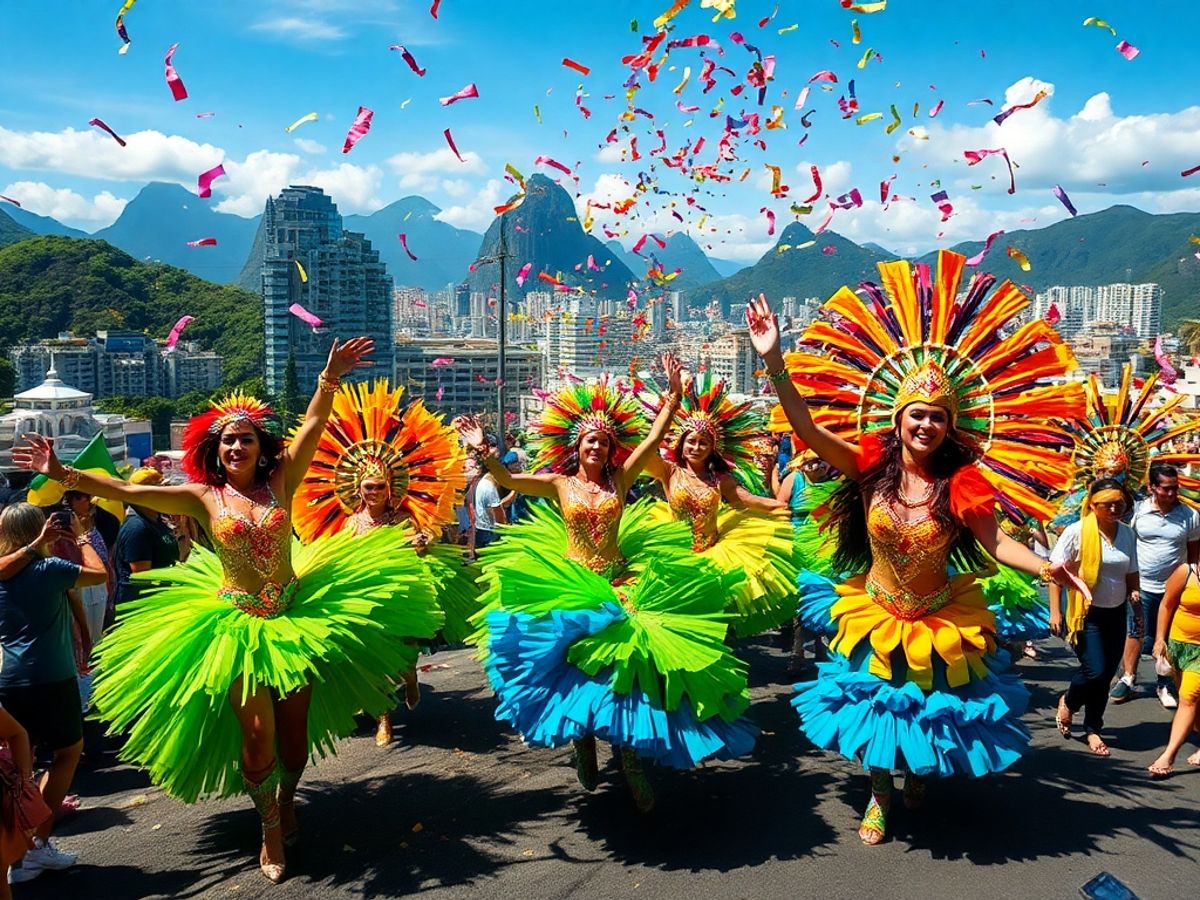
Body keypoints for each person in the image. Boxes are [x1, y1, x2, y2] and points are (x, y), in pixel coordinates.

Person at [14, 338, 443, 884]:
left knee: (292, 739)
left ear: (260, 447)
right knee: (258, 734)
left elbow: (311, 427)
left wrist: (328, 377)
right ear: (214, 453)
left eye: (244, 439)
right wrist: (66, 472)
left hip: (295, 621)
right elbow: (120, 485)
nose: (235, 447)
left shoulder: (279, 482)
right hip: (235, 628)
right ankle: (268, 830)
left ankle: (286, 801)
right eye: (226, 442)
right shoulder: (201, 498)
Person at [749, 250, 1088, 844]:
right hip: (877, 607)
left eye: (936, 416)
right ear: (898, 418)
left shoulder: (962, 484)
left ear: (948, 425)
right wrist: (776, 359)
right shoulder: (866, 464)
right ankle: (878, 794)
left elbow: (998, 541)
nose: (925, 425)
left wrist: (1050, 567)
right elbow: (804, 429)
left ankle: (917, 775)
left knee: (928, 707)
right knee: (880, 706)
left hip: (935, 615)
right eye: (916, 415)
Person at [456, 358, 754, 814]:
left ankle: (630, 758)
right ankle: (582, 741)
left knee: (626, 673)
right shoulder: (558, 483)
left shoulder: (621, 479)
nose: (596, 446)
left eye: (603, 441)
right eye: (590, 440)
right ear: (577, 446)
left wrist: (673, 395)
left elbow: (655, 438)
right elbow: (509, 480)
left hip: (620, 581)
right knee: (576, 673)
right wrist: (482, 451)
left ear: (611, 449)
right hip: (574, 585)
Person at [289, 378, 469, 750]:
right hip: (368, 599)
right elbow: (335, 555)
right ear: (358, 489)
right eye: (368, 487)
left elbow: (426, 540)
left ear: (390, 488)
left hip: (402, 596)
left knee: (402, 658)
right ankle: (383, 718)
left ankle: (412, 677)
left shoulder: (403, 519)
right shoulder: (350, 524)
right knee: (375, 663)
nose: (374, 492)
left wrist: (422, 542)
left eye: (380, 486)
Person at [639, 369, 796, 638]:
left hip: (713, 554)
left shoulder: (719, 479)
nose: (696, 447)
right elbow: (645, 449)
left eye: (703, 443)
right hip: (675, 554)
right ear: (681, 443)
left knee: (710, 621)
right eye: (691, 441)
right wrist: (672, 402)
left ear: (712, 449)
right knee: (675, 618)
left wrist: (783, 508)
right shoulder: (669, 472)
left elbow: (746, 499)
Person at [0, 504, 107, 884]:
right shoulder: (49, 570)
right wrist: (80, 536)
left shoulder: (4, 573)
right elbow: (100, 575)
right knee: (68, 753)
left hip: (9, 681)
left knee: (18, 773)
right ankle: (34, 846)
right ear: (40, 530)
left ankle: (17, 853)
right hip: (51, 677)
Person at [1049, 478, 1140, 757]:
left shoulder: (1127, 534)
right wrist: (1055, 611)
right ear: (1093, 505)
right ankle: (1070, 701)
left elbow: (1131, 572)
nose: (1115, 509)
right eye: (1108, 504)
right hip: (1085, 613)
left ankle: (1093, 728)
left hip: (1116, 612)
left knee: (1103, 677)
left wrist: (1135, 596)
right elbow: (1054, 572)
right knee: (1096, 670)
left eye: (1120, 504)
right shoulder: (1076, 532)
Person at [1112, 463, 1200, 708]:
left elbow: (1194, 556)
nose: (1172, 494)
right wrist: (1129, 581)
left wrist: (1193, 584)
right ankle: (1129, 677)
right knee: (1136, 630)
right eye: (1166, 489)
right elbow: (1125, 543)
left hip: (1175, 588)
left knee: (1170, 637)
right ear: (1151, 487)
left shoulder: (1190, 516)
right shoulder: (1137, 512)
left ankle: (1165, 682)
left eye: (1175, 488)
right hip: (1143, 585)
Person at [1148, 562, 1200, 776]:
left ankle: (1168, 756)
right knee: (1192, 702)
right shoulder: (1186, 572)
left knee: (1189, 698)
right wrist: (1160, 639)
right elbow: (1167, 604)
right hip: (1178, 648)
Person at [110, 468, 181, 613]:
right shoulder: (137, 528)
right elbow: (143, 576)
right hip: (141, 611)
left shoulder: (158, 521)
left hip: (160, 603)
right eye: (160, 491)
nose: (166, 495)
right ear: (142, 495)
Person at [472, 441, 506, 549]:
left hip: (481, 531)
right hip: (490, 534)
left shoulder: (482, 482)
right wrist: (506, 530)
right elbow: (498, 515)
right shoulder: (490, 488)